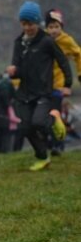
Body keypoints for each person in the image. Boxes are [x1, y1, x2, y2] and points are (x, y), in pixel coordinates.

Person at [6, 1, 71, 171]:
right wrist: (13, 71)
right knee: (25, 127)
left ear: (37, 23)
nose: (28, 27)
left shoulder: (47, 41)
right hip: (25, 93)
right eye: (24, 24)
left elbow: (63, 61)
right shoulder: (18, 43)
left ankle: (54, 119)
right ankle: (42, 157)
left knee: (39, 123)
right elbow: (18, 69)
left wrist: (68, 83)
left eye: (31, 24)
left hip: (44, 92)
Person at [44, 9, 81, 155]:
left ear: (61, 27)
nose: (54, 31)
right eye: (51, 27)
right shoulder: (42, 40)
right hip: (43, 84)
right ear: (46, 28)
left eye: (56, 27)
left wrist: (79, 72)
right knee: (43, 116)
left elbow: (79, 54)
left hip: (59, 84)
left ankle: (57, 145)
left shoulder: (66, 41)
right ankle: (51, 142)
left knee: (55, 114)